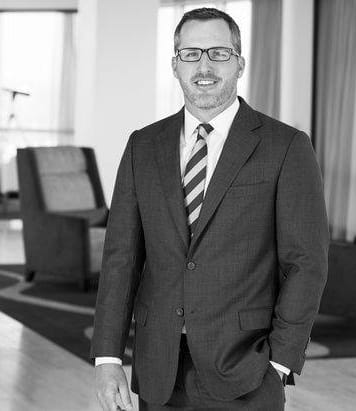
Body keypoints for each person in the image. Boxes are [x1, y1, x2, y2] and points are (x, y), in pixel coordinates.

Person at [91, 7, 329, 411]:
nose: (204, 66)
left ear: (239, 63)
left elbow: (306, 262)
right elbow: (121, 259)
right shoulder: (142, 146)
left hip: (248, 370)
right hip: (159, 369)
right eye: (191, 54)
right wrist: (108, 358)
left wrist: (280, 361)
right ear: (175, 65)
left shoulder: (286, 146)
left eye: (219, 53)